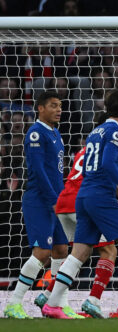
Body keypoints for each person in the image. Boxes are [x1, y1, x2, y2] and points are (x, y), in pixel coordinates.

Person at [42, 89, 118, 319]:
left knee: (80, 252)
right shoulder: (117, 132)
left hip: (84, 195)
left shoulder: (96, 132)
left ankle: (51, 303)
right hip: (101, 195)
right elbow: (108, 165)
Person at [2, 91, 70, 319]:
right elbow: (38, 171)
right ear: (40, 108)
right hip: (40, 200)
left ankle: (56, 303)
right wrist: (53, 200)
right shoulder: (35, 133)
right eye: (53, 105)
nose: (59, 109)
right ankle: (13, 303)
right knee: (41, 252)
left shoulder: (56, 133)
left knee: (62, 250)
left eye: (60, 105)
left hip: (55, 200)